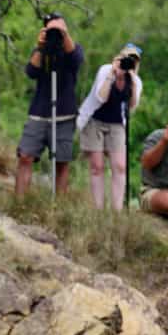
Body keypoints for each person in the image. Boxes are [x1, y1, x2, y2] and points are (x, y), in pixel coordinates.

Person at [15, 12, 84, 196]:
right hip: (39, 112)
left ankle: (58, 209)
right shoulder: (41, 51)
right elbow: (31, 72)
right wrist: (40, 47)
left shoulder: (74, 49)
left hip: (64, 114)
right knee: (25, 156)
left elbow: (76, 61)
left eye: (59, 28)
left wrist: (63, 34)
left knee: (61, 161)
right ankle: (19, 204)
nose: (55, 32)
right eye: (51, 29)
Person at [76, 43, 144, 210]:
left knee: (120, 166)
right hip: (94, 120)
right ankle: (98, 209)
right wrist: (113, 74)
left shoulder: (135, 81)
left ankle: (117, 211)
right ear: (119, 57)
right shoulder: (106, 70)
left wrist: (133, 83)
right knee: (97, 167)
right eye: (127, 58)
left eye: (134, 60)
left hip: (116, 124)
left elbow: (132, 107)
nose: (130, 62)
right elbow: (101, 97)